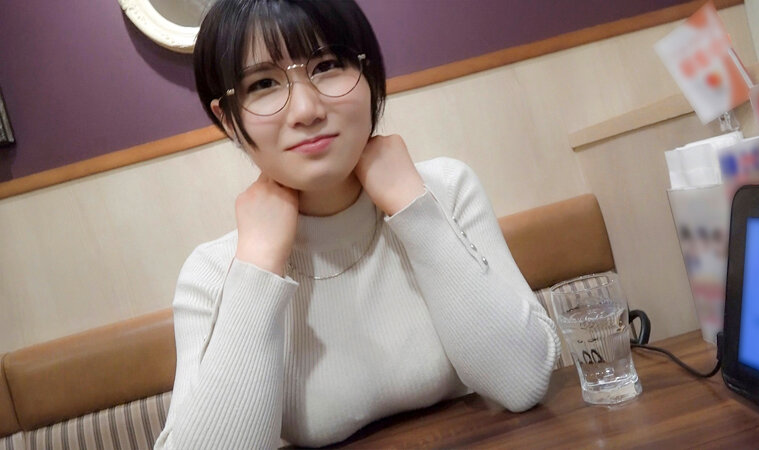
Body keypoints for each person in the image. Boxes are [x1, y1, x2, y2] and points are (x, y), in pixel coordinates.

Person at [155, 0, 560, 448]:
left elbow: (523, 382)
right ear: (229, 120)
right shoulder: (213, 272)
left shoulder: (445, 190)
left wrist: (414, 208)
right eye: (263, 83)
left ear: (368, 75)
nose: (306, 110)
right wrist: (258, 265)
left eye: (327, 65)